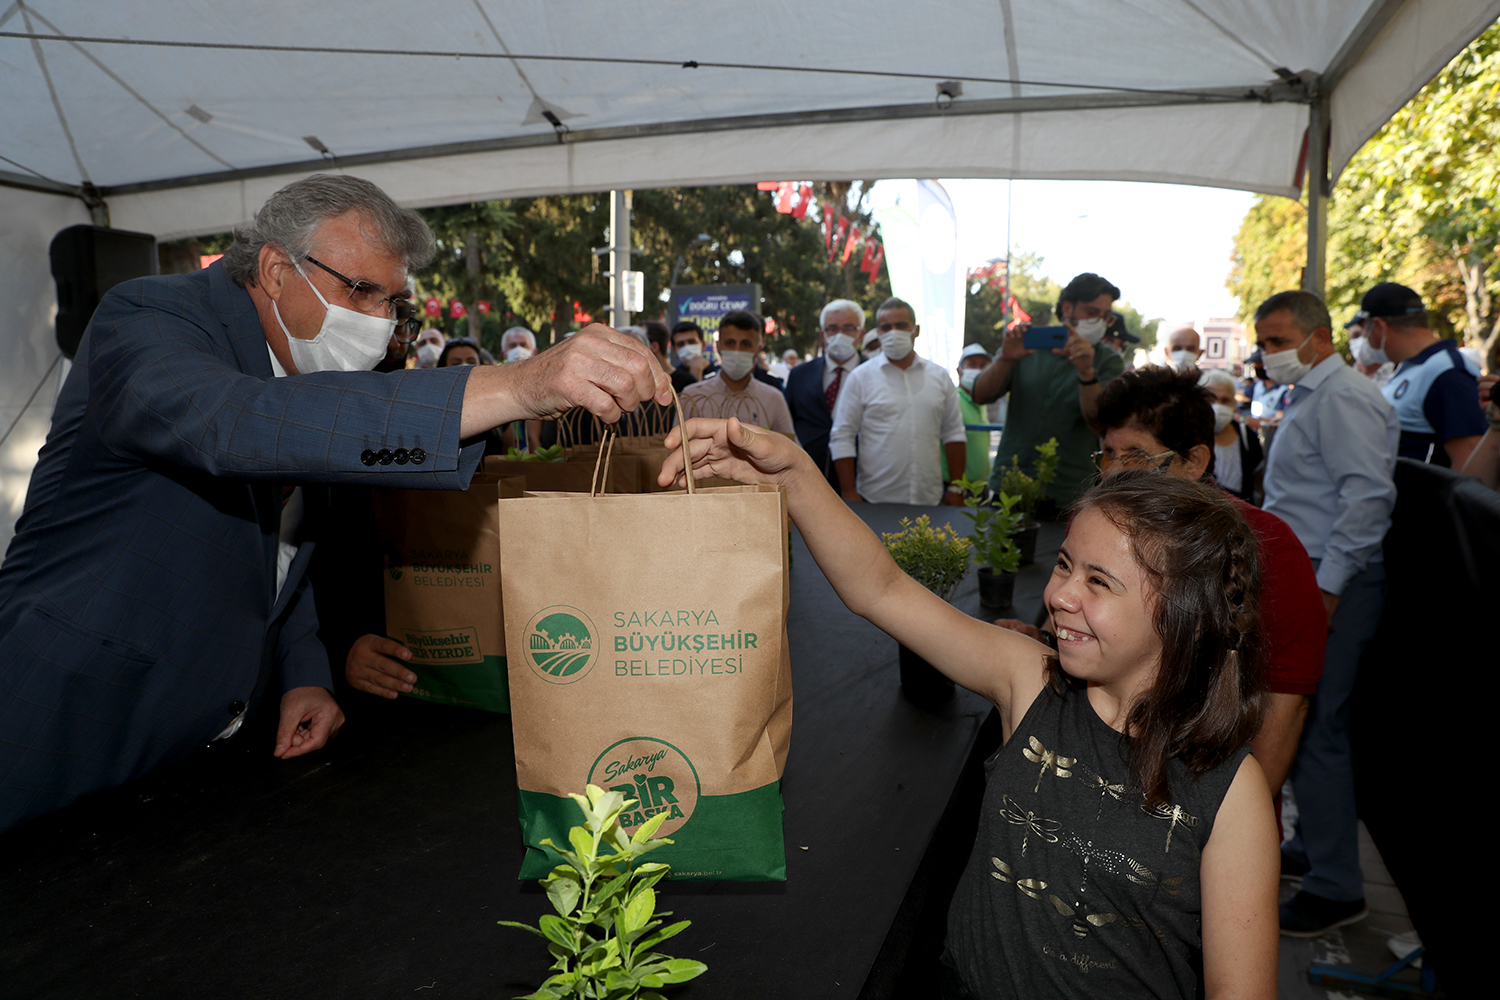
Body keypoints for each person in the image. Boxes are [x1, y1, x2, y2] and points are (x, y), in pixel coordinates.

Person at [0, 173, 672, 832]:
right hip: (63, 712)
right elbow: (231, 427)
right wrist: (521, 386)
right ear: (274, 269)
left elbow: (276, 548)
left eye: (392, 302)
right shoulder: (148, 316)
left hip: (208, 753)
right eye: (360, 290)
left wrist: (304, 671)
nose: (378, 321)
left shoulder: (311, 372)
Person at [660, 419, 1277, 1000]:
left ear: (1186, 616)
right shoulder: (1031, 684)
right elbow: (882, 588)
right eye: (1065, 565)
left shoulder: (1229, 791)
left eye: (1098, 581)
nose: (1059, 594)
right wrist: (795, 476)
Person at [1086, 368, 1323, 807]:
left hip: (1199, 806)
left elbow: (1283, 715)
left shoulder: (1270, 549)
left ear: (1193, 462)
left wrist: (1229, 830)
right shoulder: (1101, 525)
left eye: (1136, 455)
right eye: (1107, 453)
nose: (1114, 474)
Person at [1252, 290, 1398, 937]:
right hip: (1310, 577)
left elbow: (1366, 500)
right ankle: (1313, 850)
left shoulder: (1342, 397)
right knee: (1304, 720)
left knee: (1312, 727)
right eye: (1265, 341)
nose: (1269, 353)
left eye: (1279, 341)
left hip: (1331, 581)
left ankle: (1337, 887)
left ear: (1319, 338)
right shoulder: (1312, 395)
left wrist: (1328, 591)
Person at [971, 272, 1127, 510]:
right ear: (1067, 308)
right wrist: (1005, 359)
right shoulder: (1028, 346)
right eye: (1092, 312)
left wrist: (1086, 372)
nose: (1099, 322)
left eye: (1106, 316)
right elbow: (980, 395)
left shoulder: (1107, 361)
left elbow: (1099, 422)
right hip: (1010, 486)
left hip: (1069, 494)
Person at [828, 297, 967, 506]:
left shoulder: (939, 377)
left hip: (929, 498)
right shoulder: (860, 377)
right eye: (886, 327)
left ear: (916, 330)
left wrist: (956, 487)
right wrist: (849, 492)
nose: (894, 332)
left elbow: (954, 432)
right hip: (874, 499)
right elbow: (842, 436)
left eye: (901, 325)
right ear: (879, 332)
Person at [1360, 282, 1485, 469]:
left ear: (1378, 326)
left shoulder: (1447, 373)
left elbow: (1470, 461)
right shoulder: (1415, 368)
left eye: (1365, 330)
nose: (1364, 339)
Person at [784, 299, 865, 486]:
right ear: (823, 334)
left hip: (861, 478)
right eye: (832, 328)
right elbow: (787, 423)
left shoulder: (875, 374)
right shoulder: (799, 375)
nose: (840, 334)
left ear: (860, 334)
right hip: (807, 477)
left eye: (848, 328)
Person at [679, 311, 794, 434]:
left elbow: (790, 448)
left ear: (757, 349)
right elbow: (676, 445)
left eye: (745, 344)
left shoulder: (773, 399)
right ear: (718, 346)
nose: (737, 351)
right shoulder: (692, 396)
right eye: (730, 343)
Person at [1199, 367, 1263, 503]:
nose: (1217, 406)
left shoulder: (1247, 436)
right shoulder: (1188, 438)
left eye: (1225, 400)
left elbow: (1259, 482)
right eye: (1210, 399)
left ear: (1234, 405)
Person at [945, 343, 996, 485]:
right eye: (972, 364)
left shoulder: (981, 404)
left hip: (979, 488)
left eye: (984, 366)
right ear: (959, 371)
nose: (978, 370)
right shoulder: (952, 400)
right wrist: (955, 488)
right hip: (958, 488)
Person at [670, 320, 713, 392]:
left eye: (692, 342)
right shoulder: (672, 379)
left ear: (703, 345)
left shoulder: (718, 373)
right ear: (674, 351)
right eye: (681, 344)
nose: (687, 347)